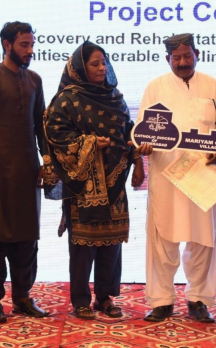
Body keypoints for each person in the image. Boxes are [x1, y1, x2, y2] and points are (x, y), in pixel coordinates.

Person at [43, 41, 144, 319]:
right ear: (80, 68)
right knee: (82, 246)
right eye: (94, 64)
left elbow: (128, 131)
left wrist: (137, 160)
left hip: (115, 180)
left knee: (111, 243)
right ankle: (80, 300)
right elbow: (54, 134)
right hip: (83, 185)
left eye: (104, 63)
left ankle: (104, 297)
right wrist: (88, 143)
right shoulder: (66, 100)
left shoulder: (115, 97)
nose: (102, 68)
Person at [133, 33, 216, 323]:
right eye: (177, 58)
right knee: (163, 237)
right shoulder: (156, 87)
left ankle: (198, 299)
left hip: (203, 173)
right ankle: (162, 300)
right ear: (168, 59)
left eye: (188, 56)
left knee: (204, 239)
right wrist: (143, 145)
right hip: (166, 174)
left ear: (197, 54)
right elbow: (142, 130)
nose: (183, 62)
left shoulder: (212, 85)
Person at [0, 21, 49, 323]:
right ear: (7, 45)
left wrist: (47, 160)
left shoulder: (35, 80)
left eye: (31, 45)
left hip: (28, 173)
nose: (30, 50)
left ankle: (23, 297)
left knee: (27, 238)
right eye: (24, 45)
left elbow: (40, 125)